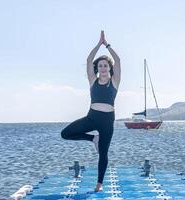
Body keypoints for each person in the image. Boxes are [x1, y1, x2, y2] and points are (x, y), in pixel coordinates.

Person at [61, 30, 121, 192]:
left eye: (105, 65)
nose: (102, 68)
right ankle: (93, 138)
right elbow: (88, 60)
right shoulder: (92, 80)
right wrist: (98, 44)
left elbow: (118, 60)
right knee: (65, 133)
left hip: (107, 121)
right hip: (92, 117)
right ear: (97, 68)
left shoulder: (114, 82)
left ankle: (99, 184)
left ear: (109, 68)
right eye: (100, 65)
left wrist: (107, 45)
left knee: (103, 153)